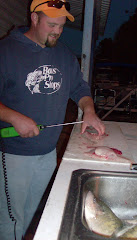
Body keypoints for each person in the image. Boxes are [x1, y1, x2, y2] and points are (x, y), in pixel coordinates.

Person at [0, 0, 105, 239]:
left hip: (47, 154)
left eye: (61, 26)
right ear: (34, 18)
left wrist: (89, 110)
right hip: (13, 155)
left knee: (30, 213)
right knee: (10, 219)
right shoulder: (6, 51)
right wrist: (13, 117)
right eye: (51, 25)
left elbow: (79, 88)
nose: (57, 31)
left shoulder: (64, 54)